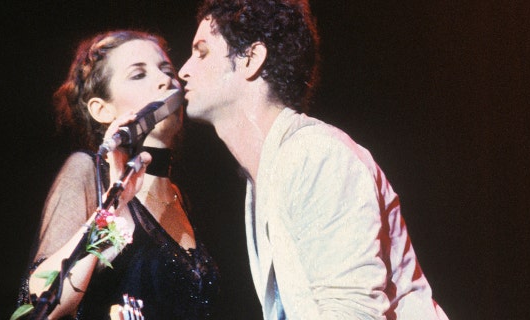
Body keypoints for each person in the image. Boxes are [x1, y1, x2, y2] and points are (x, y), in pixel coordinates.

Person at [178, 1, 448, 319]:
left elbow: (353, 311)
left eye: (202, 52)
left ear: (251, 59)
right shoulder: (267, 173)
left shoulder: (316, 156)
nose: (184, 70)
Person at [16, 30, 219, 320]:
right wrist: (113, 209)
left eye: (166, 70)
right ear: (102, 109)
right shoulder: (87, 172)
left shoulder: (181, 197)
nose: (166, 81)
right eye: (138, 75)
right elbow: (36, 297)